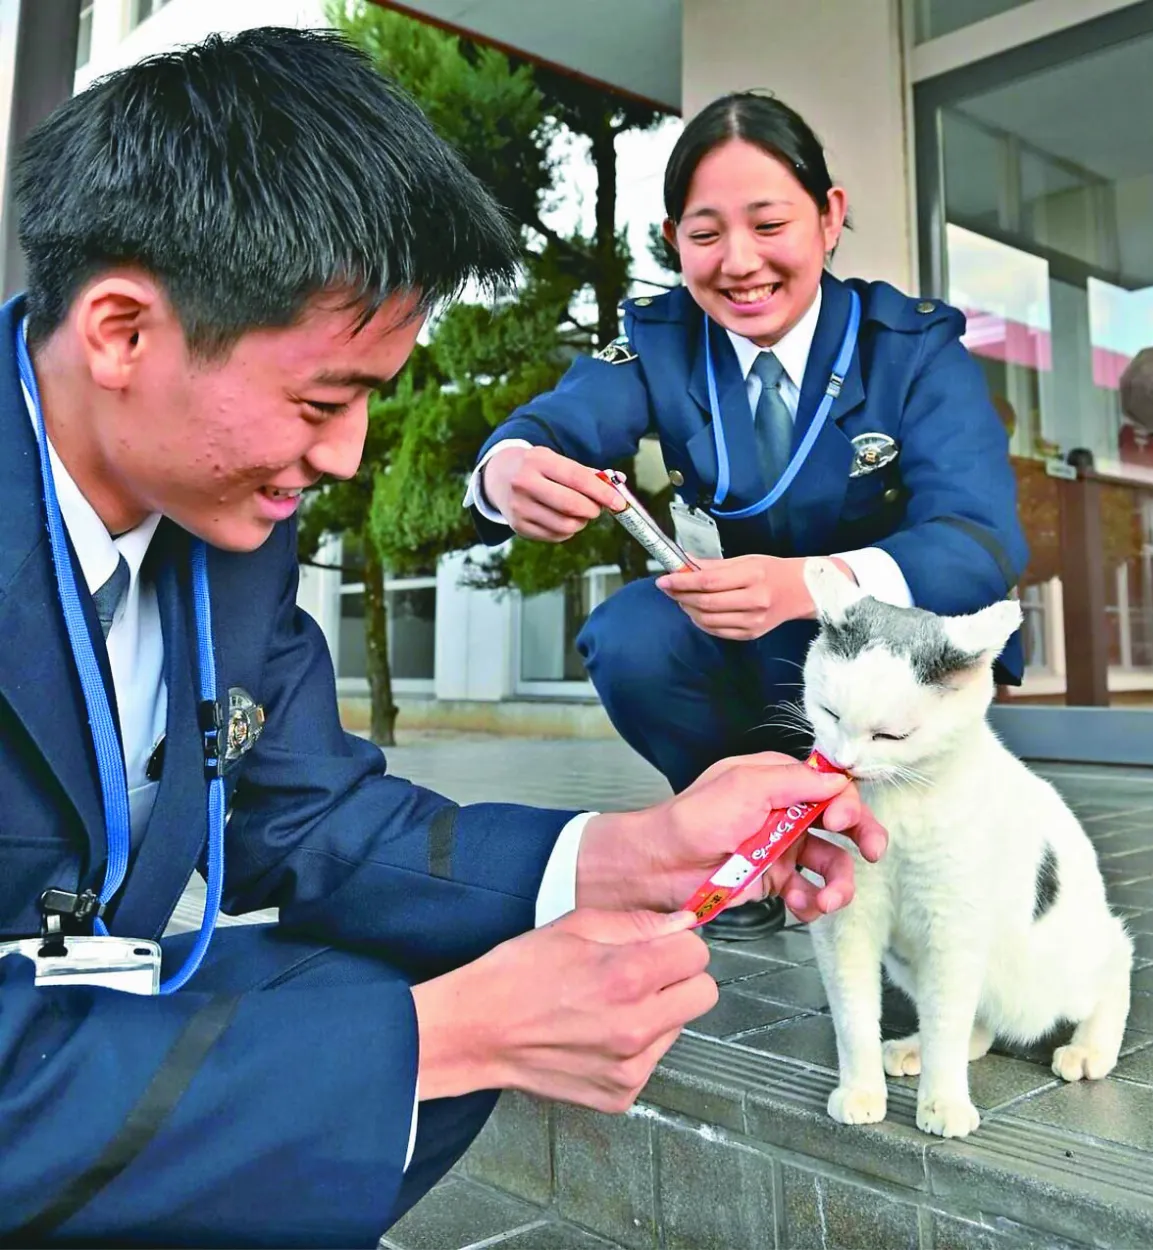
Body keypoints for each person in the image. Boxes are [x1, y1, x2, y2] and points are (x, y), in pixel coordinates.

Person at [0, 32, 888, 1249]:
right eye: (322, 401)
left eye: (371, 399)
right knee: (418, 1034)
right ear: (119, 331)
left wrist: (638, 851)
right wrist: (447, 1035)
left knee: (389, 995)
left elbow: (317, 821)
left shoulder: (228, 539)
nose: (347, 458)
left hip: (78, 1017)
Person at [467, 91, 1028, 938]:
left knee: (938, 892)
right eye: (704, 234)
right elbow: (550, 425)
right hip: (748, 647)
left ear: (830, 217)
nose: (739, 263)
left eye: (769, 226)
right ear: (672, 243)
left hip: (894, 654)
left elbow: (980, 543)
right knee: (629, 637)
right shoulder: (661, 339)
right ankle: (755, 851)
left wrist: (809, 583)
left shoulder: (911, 348)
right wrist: (507, 471)